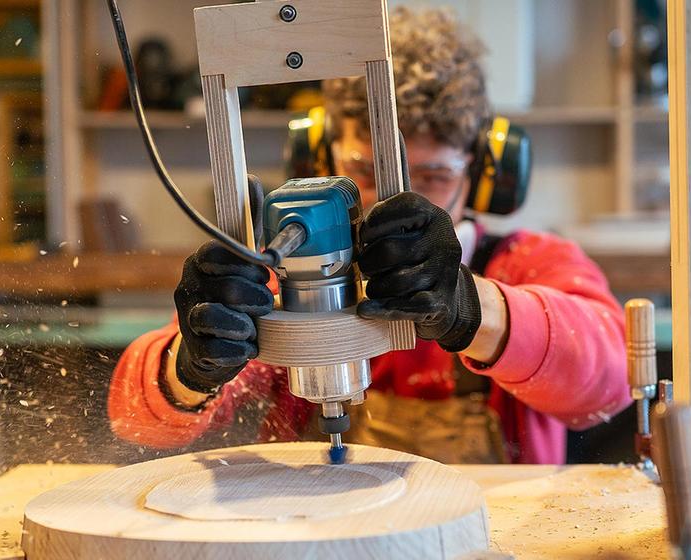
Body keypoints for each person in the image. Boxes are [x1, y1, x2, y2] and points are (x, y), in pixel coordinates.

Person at [107, 8, 630, 464]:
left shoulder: (528, 265)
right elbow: (134, 418)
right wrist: (190, 366)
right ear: (319, 159)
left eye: (433, 177)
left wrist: (471, 307)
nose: (389, 200)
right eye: (364, 168)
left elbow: (610, 380)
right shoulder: (282, 277)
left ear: (486, 172)